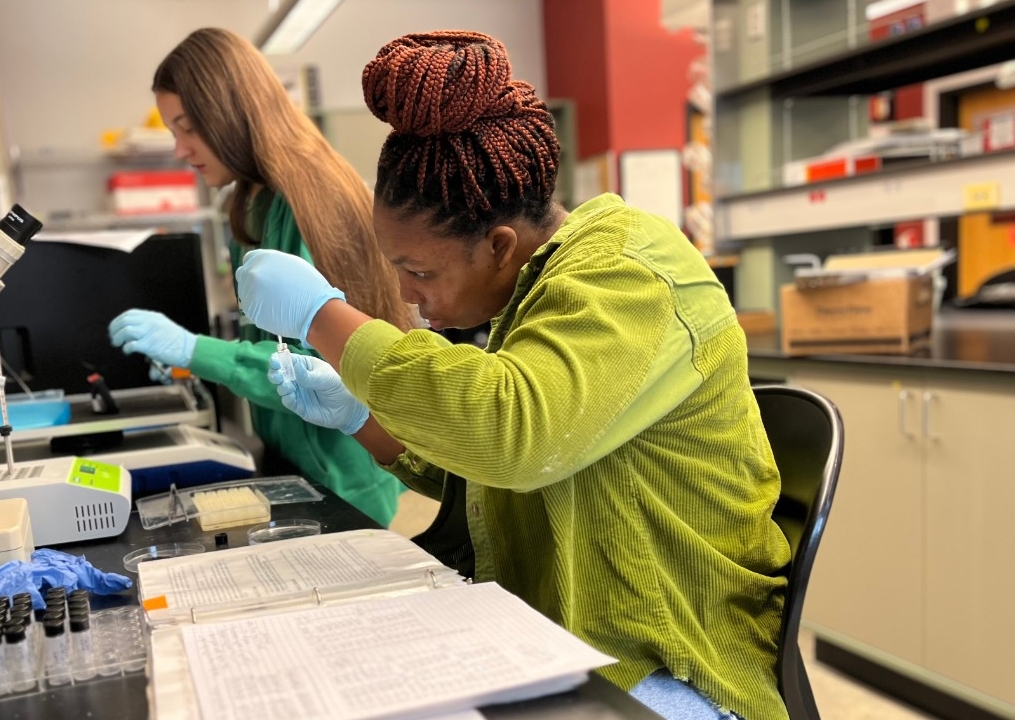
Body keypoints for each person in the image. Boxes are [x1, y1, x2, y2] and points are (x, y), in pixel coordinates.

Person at [234, 31, 790, 720]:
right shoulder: (538, 290)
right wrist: (362, 418)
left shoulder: (626, 273)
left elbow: (513, 436)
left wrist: (325, 316)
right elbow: (485, 475)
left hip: (667, 670)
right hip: (556, 639)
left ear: (497, 247)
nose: (407, 296)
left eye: (419, 272)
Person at [108, 28, 415, 526]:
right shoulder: (251, 197)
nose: (180, 149)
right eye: (173, 131)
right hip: (294, 455)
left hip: (341, 468)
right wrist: (195, 364)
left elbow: (313, 364)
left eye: (188, 127)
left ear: (229, 111)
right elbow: (268, 337)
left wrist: (195, 351)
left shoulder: (306, 195)